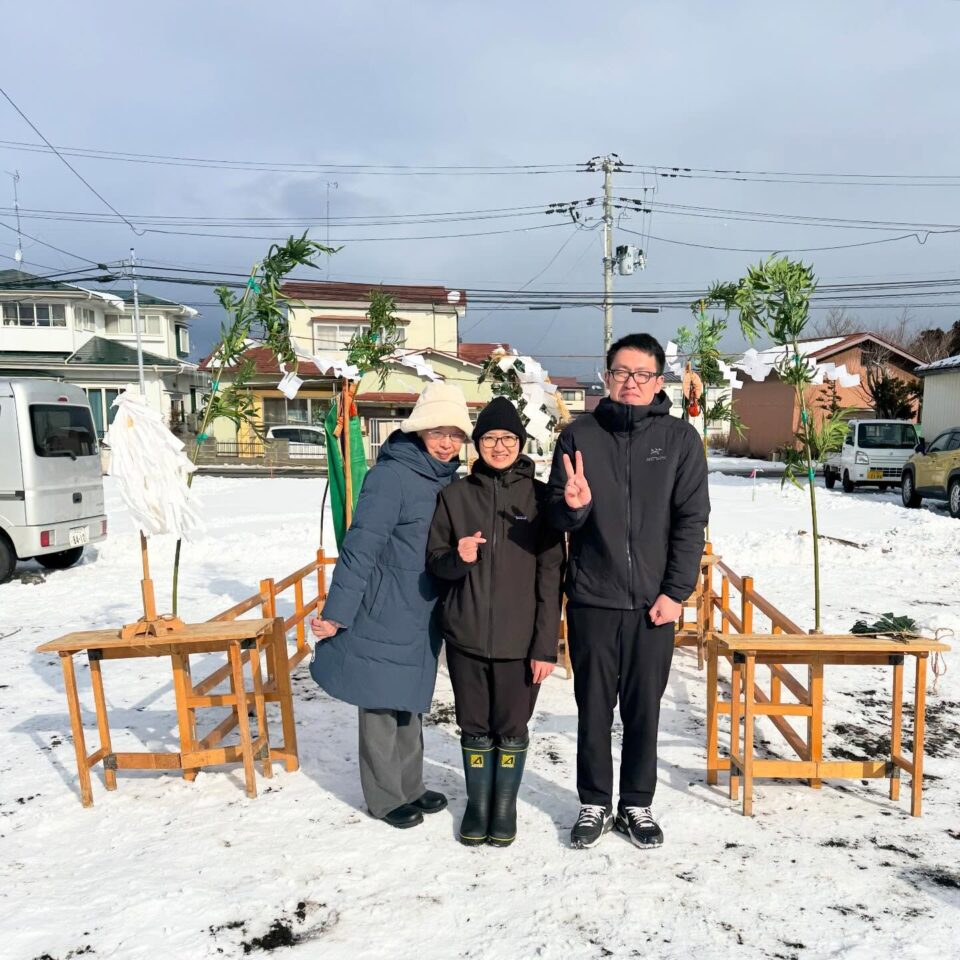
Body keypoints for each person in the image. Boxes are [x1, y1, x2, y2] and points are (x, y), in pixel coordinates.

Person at [548, 333, 710, 850]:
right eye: (622, 372)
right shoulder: (579, 436)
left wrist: (676, 592)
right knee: (592, 707)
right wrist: (573, 505)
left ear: (658, 380)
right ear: (607, 376)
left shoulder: (680, 441)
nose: (631, 382)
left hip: (653, 606)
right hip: (594, 599)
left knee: (645, 708)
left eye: (642, 374)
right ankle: (594, 801)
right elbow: (558, 512)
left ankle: (635, 804)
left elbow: (691, 522)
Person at [309, 381, 473, 829]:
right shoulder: (392, 476)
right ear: (420, 429)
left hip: (422, 611)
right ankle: (384, 798)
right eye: (438, 431)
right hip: (382, 609)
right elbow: (361, 547)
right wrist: (337, 612)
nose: (446, 443)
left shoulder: (447, 480)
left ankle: (411, 786)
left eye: (455, 434)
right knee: (380, 705)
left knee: (410, 700)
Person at [426, 397, 564, 847]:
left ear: (520, 443)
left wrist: (546, 646)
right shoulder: (454, 496)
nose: (499, 446)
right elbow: (435, 562)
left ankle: (503, 807)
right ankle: (477, 803)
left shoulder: (541, 500)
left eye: (507, 438)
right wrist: (457, 558)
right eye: (490, 438)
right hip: (466, 637)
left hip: (521, 643)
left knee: (512, 726)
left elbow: (551, 577)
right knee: (474, 726)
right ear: (477, 444)